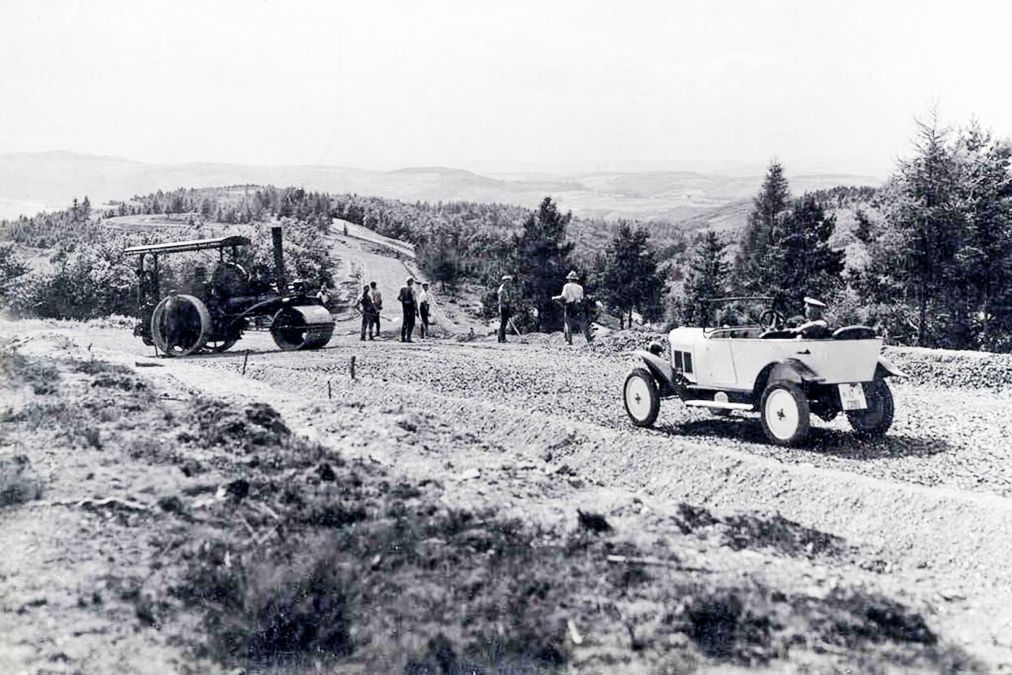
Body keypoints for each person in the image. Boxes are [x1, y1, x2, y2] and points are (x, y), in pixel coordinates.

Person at [553, 270, 593, 345]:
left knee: (568, 323)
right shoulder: (580, 287)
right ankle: (588, 338)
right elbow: (581, 297)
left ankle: (569, 341)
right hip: (579, 305)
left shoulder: (567, 286)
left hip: (570, 305)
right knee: (582, 323)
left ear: (569, 279)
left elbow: (563, 296)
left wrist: (555, 298)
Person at [398, 277, 418, 342]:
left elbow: (399, 298)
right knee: (411, 322)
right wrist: (416, 310)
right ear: (411, 282)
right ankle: (408, 337)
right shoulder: (412, 289)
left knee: (405, 322)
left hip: (405, 307)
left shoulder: (402, 288)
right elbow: (414, 300)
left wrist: (404, 301)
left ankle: (402, 337)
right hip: (411, 307)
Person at [497, 275, 513, 343]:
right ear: (504, 281)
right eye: (507, 281)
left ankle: (502, 338)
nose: (509, 283)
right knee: (503, 323)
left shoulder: (506, 289)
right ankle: (501, 338)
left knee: (505, 323)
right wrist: (503, 307)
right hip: (503, 307)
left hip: (506, 306)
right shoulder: (501, 290)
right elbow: (500, 301)